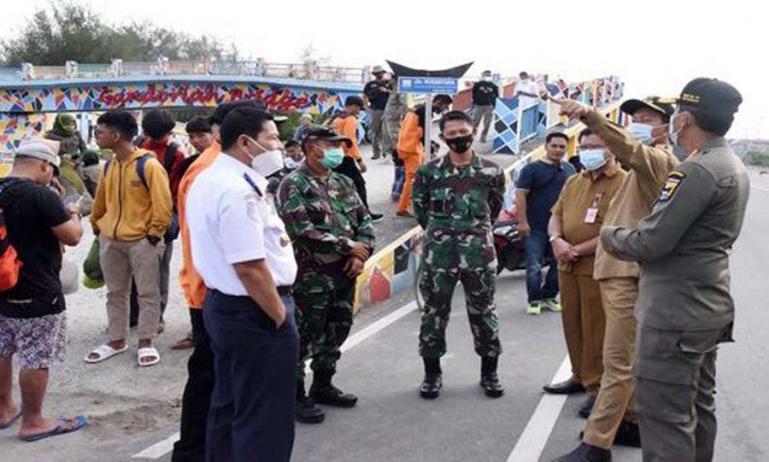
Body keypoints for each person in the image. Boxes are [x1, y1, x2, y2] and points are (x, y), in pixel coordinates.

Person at [600, 78, 747, 462]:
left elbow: (651, 242)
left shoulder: (697, 170)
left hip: (674, 314)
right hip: (705, 305)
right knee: (697, 409)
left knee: (665, 419)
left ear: (683, 119)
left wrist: (609, 234)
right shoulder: (730, 163)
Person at [553, 96, 677, 461]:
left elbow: (627, 146)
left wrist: (589, 115)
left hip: (626, 271)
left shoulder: (660, 161)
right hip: (615, 269)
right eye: (634, 116)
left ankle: (596, 444)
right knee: (621, 357)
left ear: (665, 126)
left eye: (646, 118)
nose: (637, 122)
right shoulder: (633, 167)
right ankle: (629, 420)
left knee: (617, 360)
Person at [186, 106, 297, 462]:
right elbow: (249, 265)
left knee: (230, 404)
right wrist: (279, 317)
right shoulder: (238, 190)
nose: (278, 145)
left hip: (226, 306)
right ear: (246, 142)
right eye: (272, 138)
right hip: (255, 310)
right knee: (264, 417)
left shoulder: (212, 177)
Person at [172, 101, 263, 462]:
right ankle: (193, 449)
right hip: (213, 289)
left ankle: (212, 445)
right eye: (266, 135)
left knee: (220, 374)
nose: (271, 144)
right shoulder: (211, 171)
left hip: (215, 286)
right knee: (208, 375)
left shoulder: (222, 167)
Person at [276, 126, 375, 424]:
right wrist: (350, 247)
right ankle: (294, 395)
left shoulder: (344, 181)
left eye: (339, 145)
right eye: (329, 144)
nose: (336, 149)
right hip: (311, 276)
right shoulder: (293, 184)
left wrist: (362, 254)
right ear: (309, 147)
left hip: (345, 272)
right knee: (304, 335)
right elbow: (301, 230)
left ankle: (323, 384)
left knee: (337, 329)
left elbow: (364, 220)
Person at [412, 110, 506, 399]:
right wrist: (443, 235)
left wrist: (473, 234)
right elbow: (421, 210)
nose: (458, 138)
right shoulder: (429, 173)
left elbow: (495, 206)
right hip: (439, 256)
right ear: (442, 138)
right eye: (451, 134)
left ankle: (489, 373)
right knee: (433, 313)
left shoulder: (491, 171)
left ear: (473, 131)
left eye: (462, 132)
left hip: (479, 254)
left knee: (484, 311)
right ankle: (432, 374)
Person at [0, 139, 86, 442]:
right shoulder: (40, 196)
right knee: (36, 357)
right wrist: (73, 212)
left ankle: (4, 409)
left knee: (3, 349)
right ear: (44, 165)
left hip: (1, 288)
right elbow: (72, 237)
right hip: (37, 291)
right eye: (52, 170)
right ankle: (34, 421)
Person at [544, 129, 626, 419]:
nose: (588, 150)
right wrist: (557, 241)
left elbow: (617, 228)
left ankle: (597, 386)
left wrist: (577, 249)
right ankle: (579, 375)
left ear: (612, 149)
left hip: (598, 267)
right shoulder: (573, 181)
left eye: (596, 146)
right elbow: (556, 215)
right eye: (585, 145)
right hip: (567, 264)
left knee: (597, 329)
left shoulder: (625, 183)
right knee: (573, 323)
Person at [85, 110, 172, 367]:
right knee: (116, 293)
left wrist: (154, 235)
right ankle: (116, 340)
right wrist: (98, 226)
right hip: (111, 239)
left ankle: (146, 341)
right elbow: (100, 200)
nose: (96, 136)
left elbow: (163, 204)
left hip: (142, 241)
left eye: (99, 131)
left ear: (116, 135)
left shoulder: (149, 165)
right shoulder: (110, 164)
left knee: (147, 293)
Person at [515, 132, 575, 315]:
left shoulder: (569, 169)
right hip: (536, 226)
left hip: (561, 227)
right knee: (534, 265)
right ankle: (534, 300)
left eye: (562, 147)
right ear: (546, 146)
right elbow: (520, 195)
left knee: (559, 263)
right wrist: (522, 222)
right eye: (554, 146)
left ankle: (550, 296)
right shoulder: (531, 169)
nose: (558, 150)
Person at [169, 115, 216, 352]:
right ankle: (197, 331)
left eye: (202, 135)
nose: (197, 141)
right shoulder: (190, 165)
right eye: (192, 136)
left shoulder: (219, 165)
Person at [137, 109, 188, 321]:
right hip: (154, 215)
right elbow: (176, 191)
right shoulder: (175, 152)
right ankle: (150, 316)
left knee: (148, 270)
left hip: (149, 216)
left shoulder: (141, 147)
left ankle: (148, 315)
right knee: (156, 270)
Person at [395, 94, 453, 217]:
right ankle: (403, 207)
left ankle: (405, 204)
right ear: (438, 102)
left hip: (406, 145)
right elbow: (422, 133)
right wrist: (429, 148)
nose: (444, 109)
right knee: (413, 179)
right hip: (412, 148)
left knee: (411, 177)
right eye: (444, 106)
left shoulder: (418, 108)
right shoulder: (425, 112)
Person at [332, 96, 383, 221]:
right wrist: (360, 161)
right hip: (345, 158)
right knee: (359, 184)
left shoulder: (336, 117)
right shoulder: (350, 119)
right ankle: (365, 213)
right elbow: (350, 142)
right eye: (358, 108)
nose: (359, 111)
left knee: (338, 186)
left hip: (333, 157)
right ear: (352, 106)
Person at [363, 65, 392, 160]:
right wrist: (366, 106)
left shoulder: (388, 83)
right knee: (375, 132)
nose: (379, 74)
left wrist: (386, 90)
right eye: (377, 73)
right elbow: (364, 95)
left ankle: (385, 152)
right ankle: (376, 153)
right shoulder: (370, 84)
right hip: (376, 110)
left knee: (385, 132)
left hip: (387, 110)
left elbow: (395, 94)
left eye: (380, 73)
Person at [471, 70, 499, 143]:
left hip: (489, 106)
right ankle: (471, 135)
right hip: (479, 105)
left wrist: (494, 106)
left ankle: (483, 137)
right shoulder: (477, 85)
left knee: (487, 123)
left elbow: (496, 96)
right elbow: (473, 94)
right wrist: (474, 103)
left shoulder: (494, 86)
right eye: (486, 75)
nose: (487, 77)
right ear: (482, 76)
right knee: (475, 122)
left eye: (489, 75)